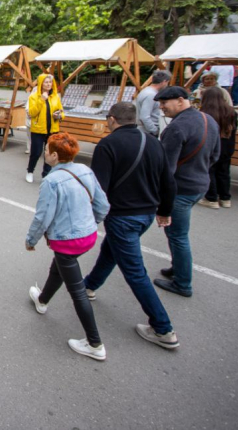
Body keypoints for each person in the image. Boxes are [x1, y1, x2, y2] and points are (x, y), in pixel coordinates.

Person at [82, 103, 179, 350]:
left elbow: (99, 189)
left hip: (122, 215)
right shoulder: (153, 142)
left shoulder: (108, 145)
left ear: (112, 119)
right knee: (111, 250)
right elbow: (168, 181)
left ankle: (163, 328)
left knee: (135, 272)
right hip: (147, 213)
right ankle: (90, 286)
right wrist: (165, 211)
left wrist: (88, 218)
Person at [25, 133, 110, 361]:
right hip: (89, 236)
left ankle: (94, 344)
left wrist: (31, 240)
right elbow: (102, 205)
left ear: (54, 155)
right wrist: (91, 224)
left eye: (46, 150)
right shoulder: (85, 170)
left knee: (77, 291)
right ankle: (42, 300)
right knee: (59, 269)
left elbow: (43, 217)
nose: (44, 153)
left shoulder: (52, 181)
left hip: (66, 241)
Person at [154, 86, 220, 297]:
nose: (162, 107)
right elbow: (215, 156)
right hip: (200, 183)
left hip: (180, 188)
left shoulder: (177, 127)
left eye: (165, 103)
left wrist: (161, 200)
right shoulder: (208, 120)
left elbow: (165, 168)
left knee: (177, 236)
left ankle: (183, 283)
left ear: (181, 101)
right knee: (177, 234)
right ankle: (177, 268)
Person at [198, 87, 237, 209]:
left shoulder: (205, 112)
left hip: (212, 145)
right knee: (224, 172)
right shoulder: (231, 111)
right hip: (227, 145)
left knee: (210, 171)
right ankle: (225, 198)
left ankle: (211, 198)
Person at [26, 73, 64, 183]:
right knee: (36, 152)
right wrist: (41, 99)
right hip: (38, 129)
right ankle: (30, 171)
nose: (49, 84)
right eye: (46, 82)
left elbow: (62, 112)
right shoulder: (34, 97)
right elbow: (32, 113)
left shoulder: (55, 97)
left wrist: (60, 115)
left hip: (53, 130)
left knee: (50, 153)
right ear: (41, 84)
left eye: (50, 82)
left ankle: (46, 174)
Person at [135, 69, 171, 137]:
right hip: (148, 132)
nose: (167, 85)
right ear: (164, 81)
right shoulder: (151, 95)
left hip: (146, 131)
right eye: (167, 82)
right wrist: (155, 131)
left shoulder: (147, 91)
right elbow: (144, 117)